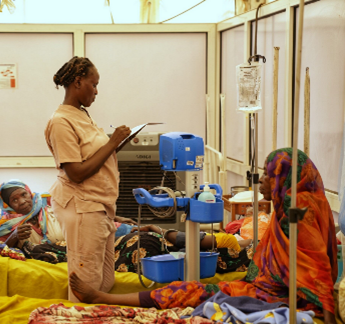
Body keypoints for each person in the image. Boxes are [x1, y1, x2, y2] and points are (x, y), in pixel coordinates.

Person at [68, 148, 338, 323]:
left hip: (274, 296)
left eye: (268, 177)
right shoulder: (292, 205)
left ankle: (103, 299)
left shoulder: (300, 210)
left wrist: (326, 314)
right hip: (263, 285)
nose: (262, 182)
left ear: (284, 178)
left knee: (185, 289)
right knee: (174, 270)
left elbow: (316, 266)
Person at [44, 56, 132, 302]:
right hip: (82, 206)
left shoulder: (81, 114)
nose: (96, 91)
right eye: (94, 84)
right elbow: (77, 172)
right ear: (78, 82)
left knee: (105, 281)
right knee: (87, 284)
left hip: (99, 205)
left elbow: (95, 156)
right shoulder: (61, 122)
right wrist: (112, 142)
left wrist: (117, 144)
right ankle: (76, 317)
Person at [114, 225, 253, 274]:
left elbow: (185, 239)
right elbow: (184, 239)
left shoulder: (230, 242)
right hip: (143, 246)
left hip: (143, 245)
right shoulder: (230, 244)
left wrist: (154, 228)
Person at [0, 180, 64, 245]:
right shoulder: (7, 225)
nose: (22, 202)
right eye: (15, 200)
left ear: (29, 193)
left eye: (24, 194)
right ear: (9, 206)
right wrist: (14, 237)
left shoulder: (48, 202)